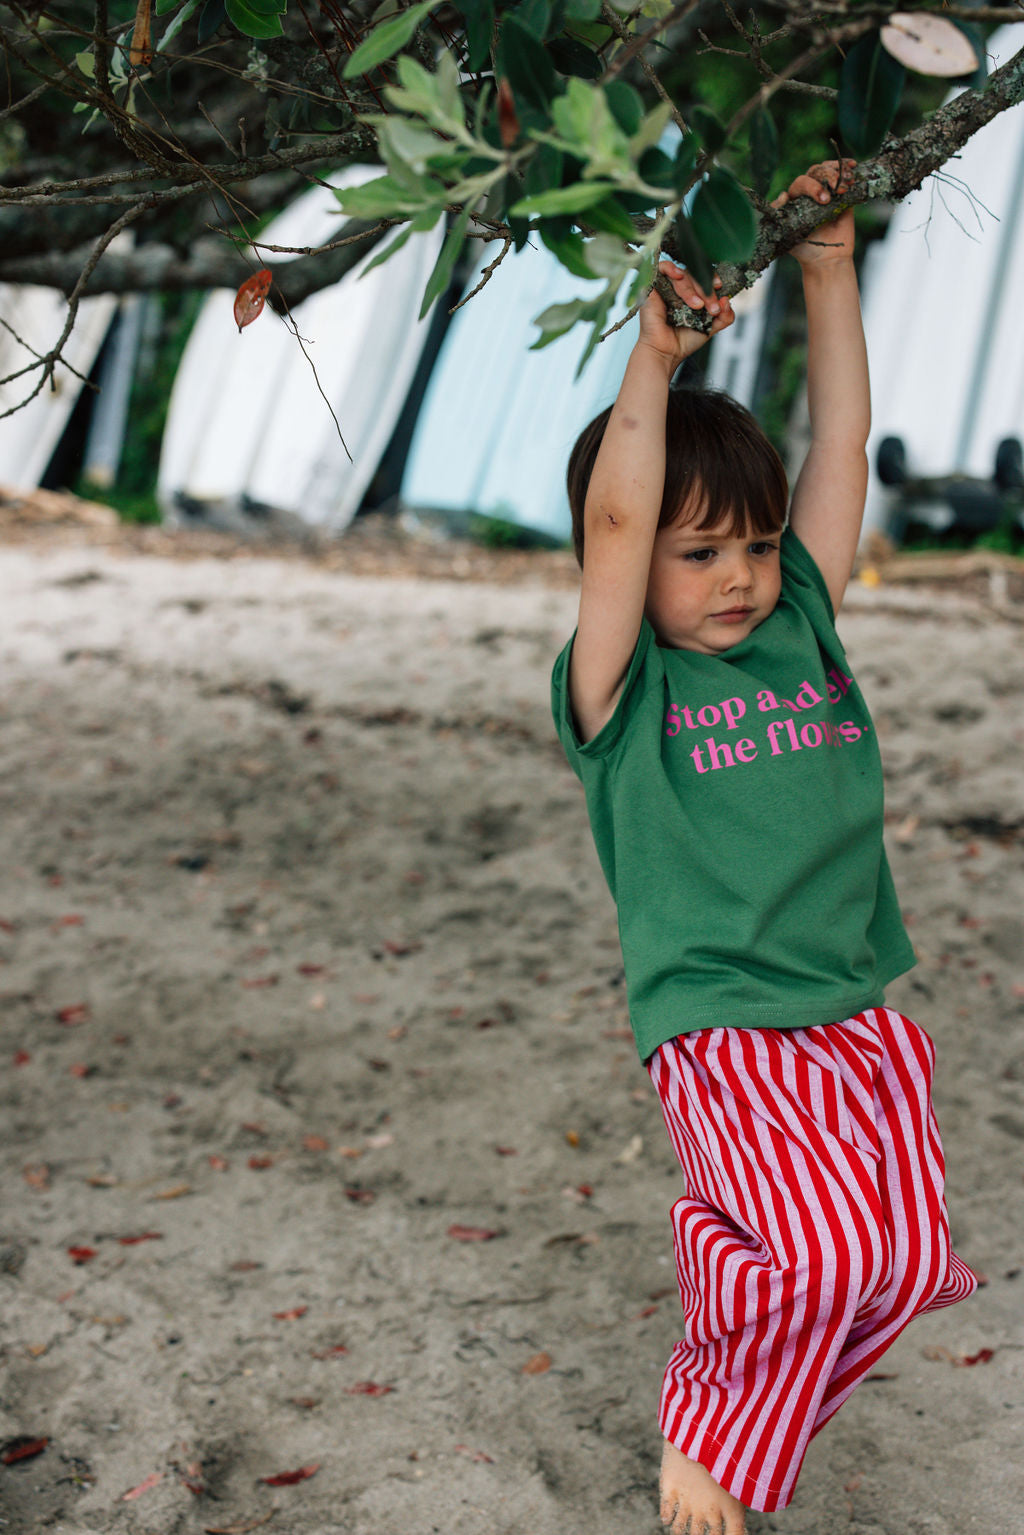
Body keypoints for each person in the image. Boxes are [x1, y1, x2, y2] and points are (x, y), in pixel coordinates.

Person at [550, 162, 977, 1534]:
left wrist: (832, 272)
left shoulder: (799, 617)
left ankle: (740, 1425)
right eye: (696, 555)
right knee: (796, 1257)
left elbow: (841, 448)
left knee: (905, 1263)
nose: (733, 576)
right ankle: (706, 1423)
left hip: (854, 1004)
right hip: (725, 1018)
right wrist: (654, 361)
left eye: (751, 544)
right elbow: (620, 517)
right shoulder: (623, 695)